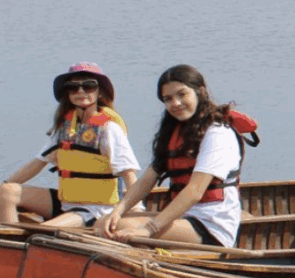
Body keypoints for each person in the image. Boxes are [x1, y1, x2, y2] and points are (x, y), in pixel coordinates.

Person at [95, 64, 258, 247]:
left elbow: (194, 192)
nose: (176, 104)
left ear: (200, 91)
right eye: (168, 99)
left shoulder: (217, 132)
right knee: (105, 223)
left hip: (212, 226)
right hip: (183, 218)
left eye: (182, 94)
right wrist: (117, 210)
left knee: (121, 229)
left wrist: (148, 229)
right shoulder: (173, 131)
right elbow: (147, 180)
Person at [0, 62, 140, 229]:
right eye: (73, 87)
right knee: (7, 192)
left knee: (43, 231)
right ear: (67, 93)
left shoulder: (109, 129)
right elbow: (38, 162)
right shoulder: (64, 127)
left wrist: (135, 211)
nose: (80, 91)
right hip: (64, 203)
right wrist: (5, 184)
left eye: (88, 86)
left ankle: (21, 246)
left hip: (95, 210)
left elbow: (129, 174)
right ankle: (10, 240)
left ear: (100, 91)